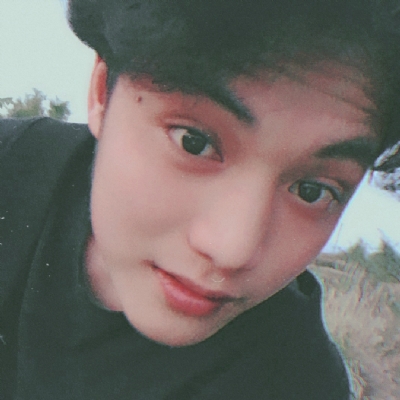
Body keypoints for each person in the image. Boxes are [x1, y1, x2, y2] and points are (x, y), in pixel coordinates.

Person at [1, 0, 400, 398]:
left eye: (312, 191)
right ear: (102, 93)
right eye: (194, 142)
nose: (233, 250)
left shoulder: (290, 383)